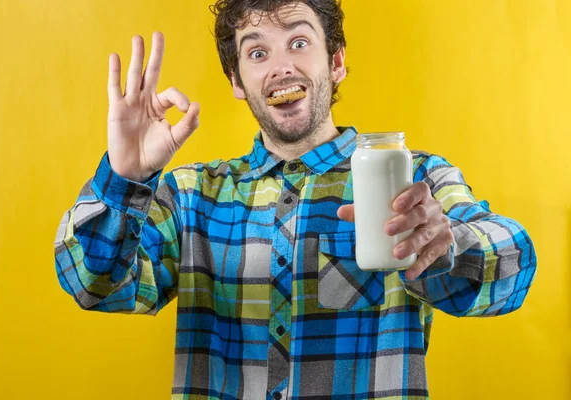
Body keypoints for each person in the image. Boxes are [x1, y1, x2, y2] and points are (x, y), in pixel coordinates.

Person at [54, 1, 537, 398]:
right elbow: (93, 286)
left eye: (299, 42)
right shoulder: (189, 196)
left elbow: (512, 270)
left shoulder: (414, 178)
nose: (281, 65)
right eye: (257, 52)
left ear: (337, 61)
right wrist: (125, 180)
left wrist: (445, 243)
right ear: (237, 82)